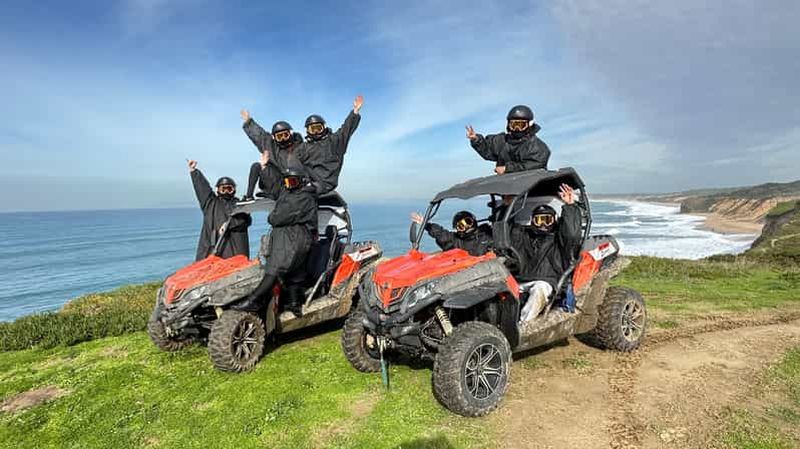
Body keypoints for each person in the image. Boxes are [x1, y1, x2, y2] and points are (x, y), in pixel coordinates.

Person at [234, 169, 318, 317]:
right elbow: (280, 196)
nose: (289, 185)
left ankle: (254, 300)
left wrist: (273, 215)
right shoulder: (295, 195)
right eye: (286, 182)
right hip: (297, 238)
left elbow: (276, 218)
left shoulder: (303, 198)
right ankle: (294, 303)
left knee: (274, 268)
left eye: (292, 182)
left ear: (301, 181)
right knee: (295, 271)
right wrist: (263, 168)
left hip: (293, 238)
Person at [510, 184, 583, 322]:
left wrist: (570, 206)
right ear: (532, 221)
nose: (543, 224)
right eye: (539, 220)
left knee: (540, 288)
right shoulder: (525, 237)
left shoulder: (560, 239)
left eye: (547, 219)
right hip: (521, 280)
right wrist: (508, 206)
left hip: (547, 281)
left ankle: (524, 325)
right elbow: (508, 233)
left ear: (555, 220)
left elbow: (572, 234)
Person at [188, 160, 252, 261]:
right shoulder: (210, 203)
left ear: (234, 189)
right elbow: (202, 188)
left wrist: (229, 225)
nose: (226, 191)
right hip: (213, 248)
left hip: (235, 250)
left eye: (229, 189)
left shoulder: (240, 205)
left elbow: (245, 220)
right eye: (223, 189)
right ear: (217, 190)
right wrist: (194, 171)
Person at [300, 95, 363, 194]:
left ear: (324, 127)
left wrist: (355, 112)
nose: (316, 132)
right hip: (307, 182)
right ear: (307, 131)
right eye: (312, 129)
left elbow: (346, 130)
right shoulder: (304, 147)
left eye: (318, 128)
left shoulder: (334, 142)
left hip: (325, 184)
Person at [466, 105, 551, 174]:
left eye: (521, 125)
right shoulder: (501, 141)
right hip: (509, 188)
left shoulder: (538, 147)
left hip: (531, 188)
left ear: (529, 124)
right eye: (514, 125)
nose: (517, 128)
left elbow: (535, 165)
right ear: (508, 125)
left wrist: (507, 169)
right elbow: (488, 150)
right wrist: (476, 140)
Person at [240, 112, 307, 201]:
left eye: (285, 135)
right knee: (258, 165)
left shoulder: (303, 148)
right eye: (279, 136)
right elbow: (260, 136)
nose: (283, 139)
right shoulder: (273, 147)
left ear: (291, 134)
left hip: (298, 187)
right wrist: (249, 122)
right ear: (275, 138)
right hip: (279, 186)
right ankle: (249, 196)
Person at [410, 210, 493, 256]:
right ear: (458, 229)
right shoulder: (457, 240)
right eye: (461, 226)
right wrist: (426, 225)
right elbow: (441, 234)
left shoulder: (487, 233)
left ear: (473, 221)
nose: (467, 227)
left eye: (468, 222)